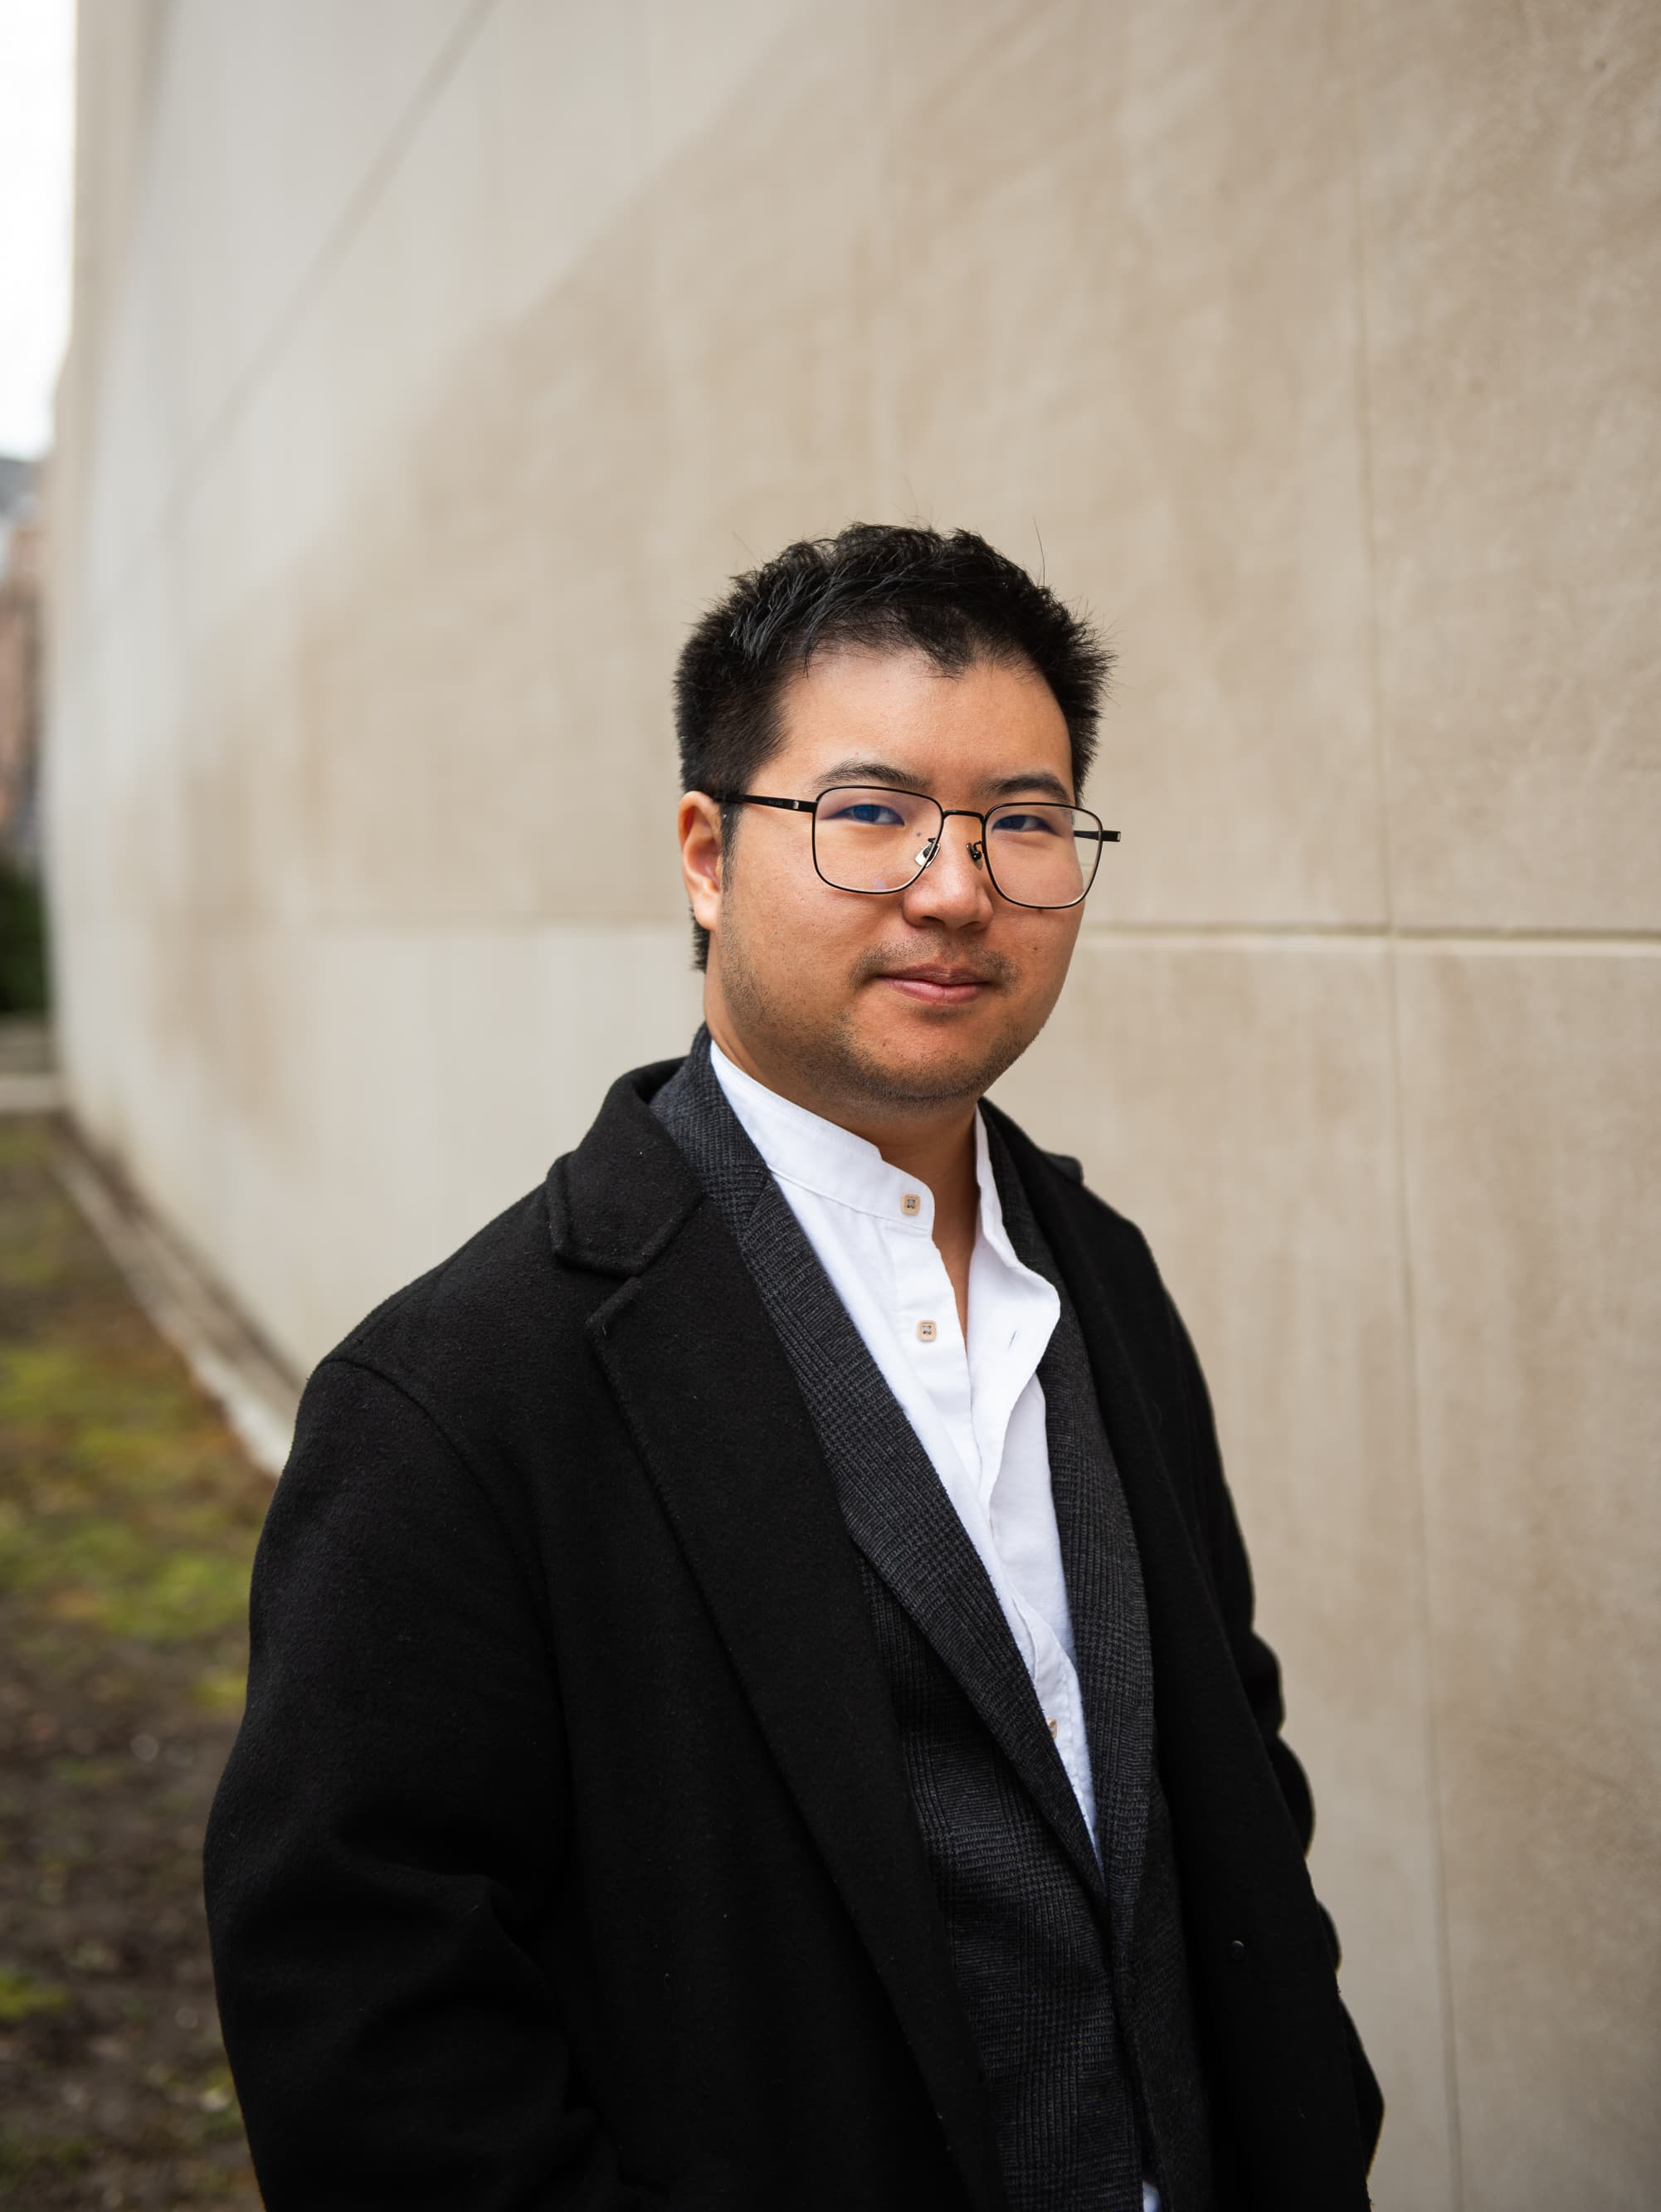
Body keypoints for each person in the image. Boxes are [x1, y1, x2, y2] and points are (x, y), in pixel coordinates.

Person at [205, 525, 1381, 2211]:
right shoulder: (462, 1393)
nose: (956, 885)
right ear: (704, 851)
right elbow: (373, 2030)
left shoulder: (1095, 1276)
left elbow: (1221, 1764)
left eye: (1023, 823)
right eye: (870, 811)